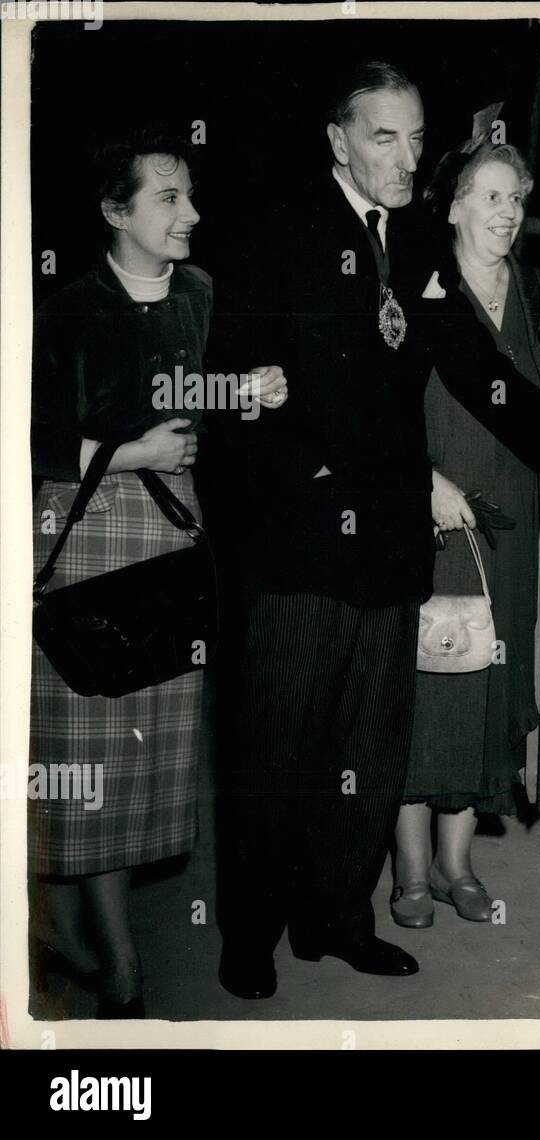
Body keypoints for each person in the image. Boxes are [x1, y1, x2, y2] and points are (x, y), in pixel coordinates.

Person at [214, 62, 540, 1001]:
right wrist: (321, 467)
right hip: (298, 550)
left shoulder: (412, 241)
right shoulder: (278, 235)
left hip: (389, 549)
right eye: (386, 137)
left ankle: (338, 918)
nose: (408, 156)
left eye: (418, 138)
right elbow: (234, 393)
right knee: (281, 750)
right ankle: (250, 931)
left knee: (370, 751)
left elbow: (473, 369)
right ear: (339, 141)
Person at [28, 128, 286, 1018]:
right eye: (169, 198)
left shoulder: (203, 294)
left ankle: (65, 923)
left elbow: (194, 397)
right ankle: (121, 964)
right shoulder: (67, 308)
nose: (192, 213)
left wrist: (244, 393)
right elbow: (32, 435)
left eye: (191, 196)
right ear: (115, 212)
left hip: (176, 537)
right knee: (88, 750)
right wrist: (131, 450)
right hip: (90, 531)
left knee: (149, 757)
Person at [390, 133, 540, 928]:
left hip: (518, 529)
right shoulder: (416, 296)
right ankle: (409, 871)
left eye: (517, 198)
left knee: (493, 692)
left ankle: (459, 863)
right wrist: (419, 481)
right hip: (435, 519)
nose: (507, 211)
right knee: (431, 687)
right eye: (491, 195)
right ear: (457, 204)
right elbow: (383, 412)